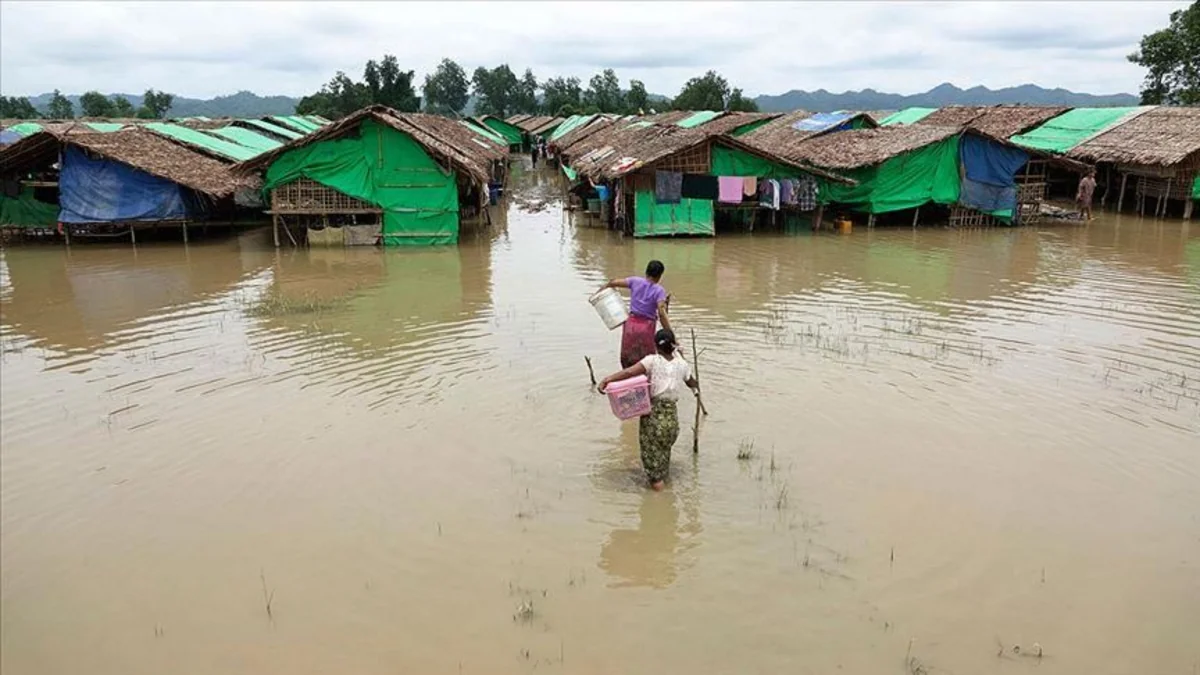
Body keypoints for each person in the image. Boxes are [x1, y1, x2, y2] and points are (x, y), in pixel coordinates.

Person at [598, 329, 699, 490]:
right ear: (674, 345)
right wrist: (695, 385)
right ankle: (666, 494)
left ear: (656, 346)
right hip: (671, 421)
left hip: (654, 419)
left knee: (654, 471)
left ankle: (659, 498)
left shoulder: (652, 361)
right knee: (663, 457)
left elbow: (629, 372)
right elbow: (692, 383)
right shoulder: (682, 365)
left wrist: (607, 379)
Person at [599, 260, 671, 368]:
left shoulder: (635, 281)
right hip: (646, 327)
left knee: (627, 358)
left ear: (646, 272)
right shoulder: (659, 291)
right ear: (660, 276)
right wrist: (669, 332)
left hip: (630, 325)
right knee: (646, 362)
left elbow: (613, 282)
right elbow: (661, 313)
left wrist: (600, 293)